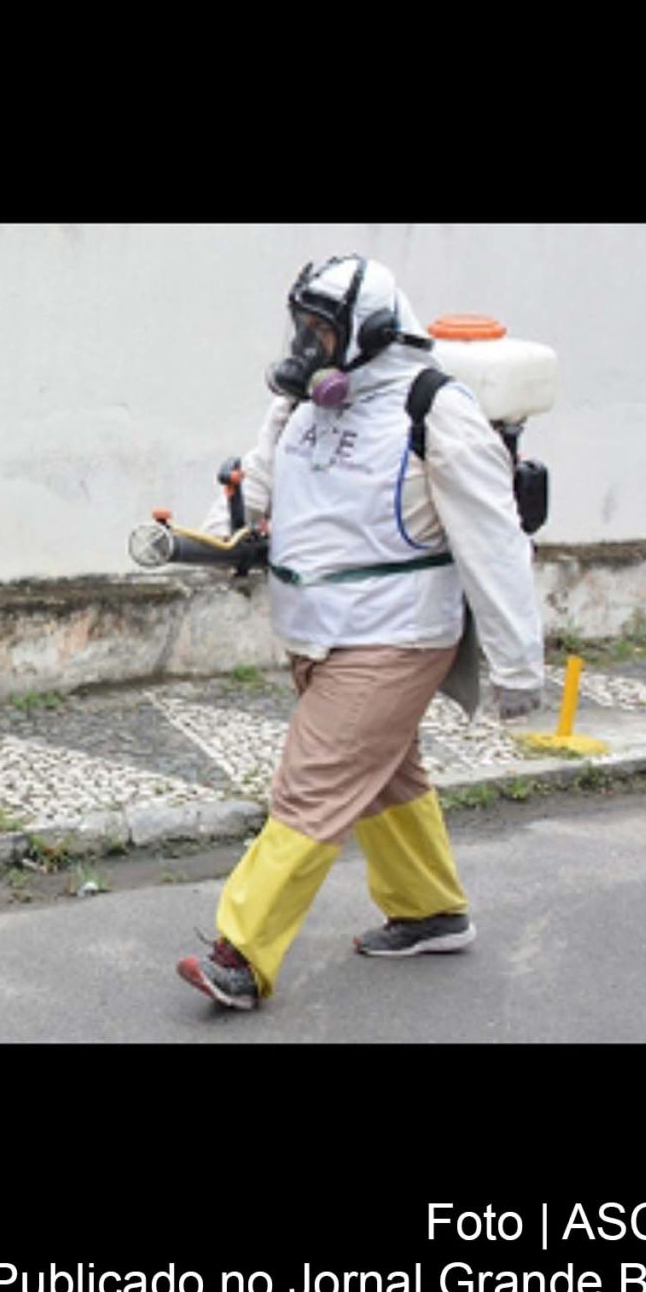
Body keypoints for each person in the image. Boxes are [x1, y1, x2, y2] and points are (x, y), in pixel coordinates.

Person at [176, 254, 545, 1010]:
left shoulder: (434, 409)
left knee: (311, 782)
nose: (308, 345)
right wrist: (228, 537)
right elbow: (254, 487)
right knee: (385, 773)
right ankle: (429, 910)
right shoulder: (302, 408)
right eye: (303, 326)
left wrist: (517, 667)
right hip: (317, 632)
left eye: (323, 329)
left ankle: (241, 954)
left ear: (370, 332)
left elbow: (494, 540)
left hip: (397, 635)